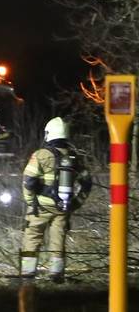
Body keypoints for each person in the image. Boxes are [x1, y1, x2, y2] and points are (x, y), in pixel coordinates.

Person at [21, 116, 93, 282]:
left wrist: (30, 201)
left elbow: (29, 180)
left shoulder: (41, 155)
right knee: (58, 240)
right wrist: (76, 203)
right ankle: (56, 274)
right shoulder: (74, 158)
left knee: (32, 237)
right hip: (63, 208)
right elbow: (87, 182)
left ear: (48, 134)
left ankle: (28, 273)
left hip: (40, 207)